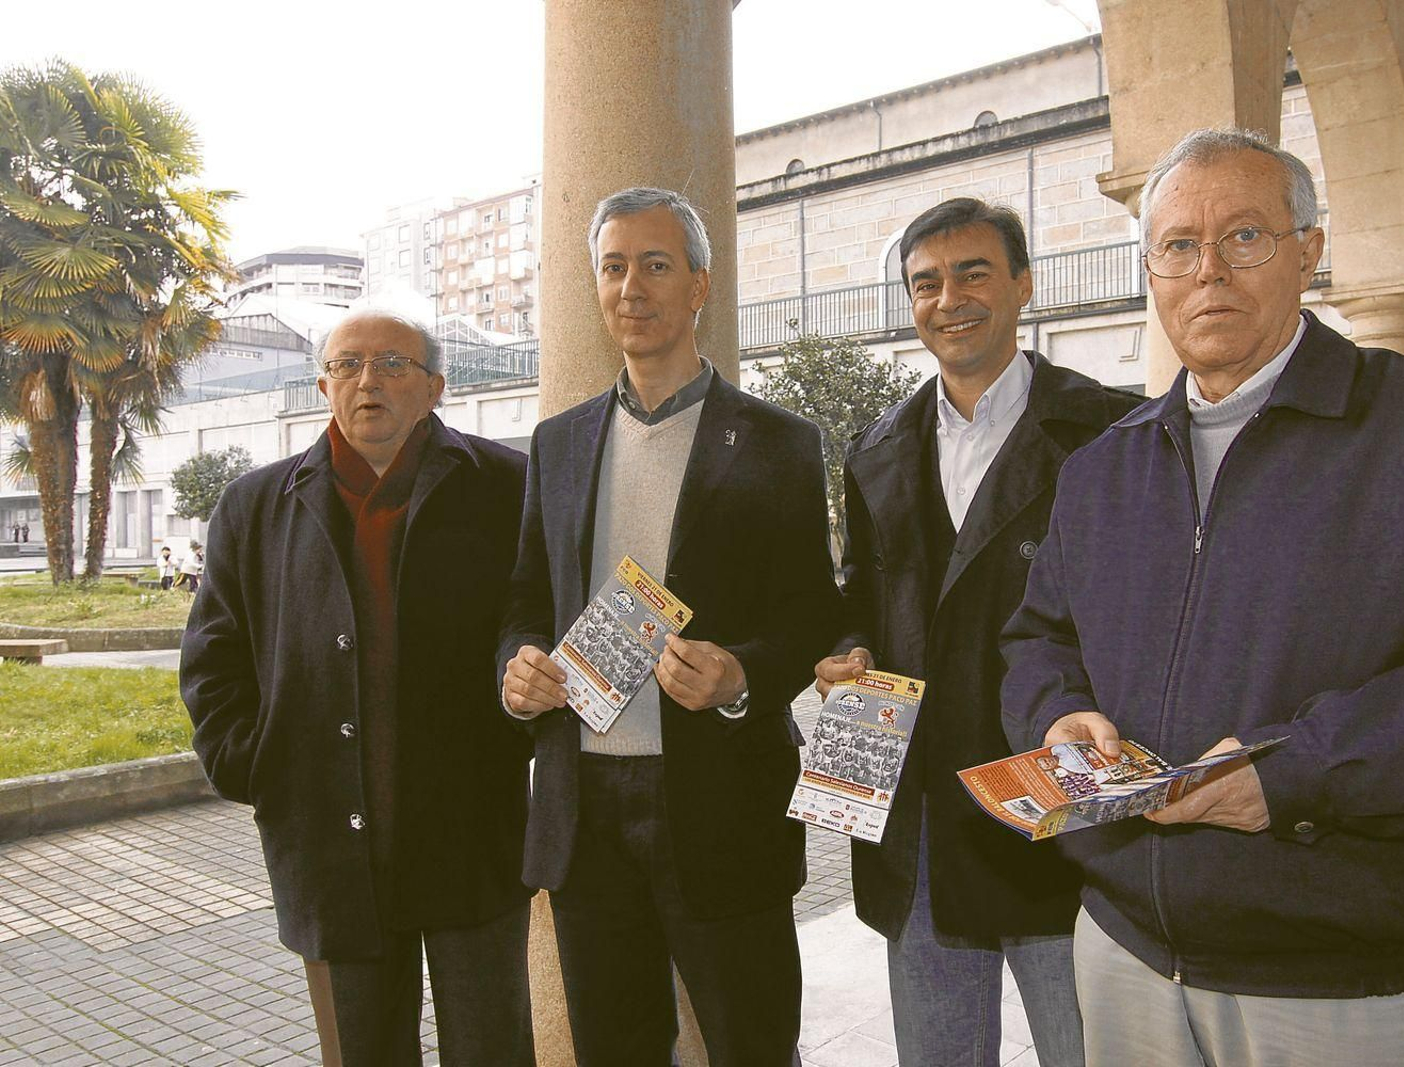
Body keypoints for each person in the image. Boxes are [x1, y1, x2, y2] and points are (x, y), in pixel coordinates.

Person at [1000, 126, 1404, 1066]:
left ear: (1310, 251)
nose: (1210, 272)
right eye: (1179, 247)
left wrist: (1300, 769)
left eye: (1246, 237)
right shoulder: (1100, 470)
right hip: (1120, 954)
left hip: (1337, 984)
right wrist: (1059, 712)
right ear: (1150, 272)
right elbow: (1038, 636)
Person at [499, 186, 839, 1066]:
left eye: (655, 264)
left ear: (698, 287)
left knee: (753, 1043)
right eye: (613, 267)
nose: (631, 286)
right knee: (615, 1048)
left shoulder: (779, 441)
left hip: (722, 800)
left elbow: (810, 612)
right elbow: (527, 602)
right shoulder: (558, 443)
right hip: (585, 811)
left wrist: (739, 676)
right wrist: (520, 664)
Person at [814, 197, 1139, 1067]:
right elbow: (861, 596)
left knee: (1091, 1050)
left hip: (1059, 809)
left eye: (973, 273)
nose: (948, 297)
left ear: (1023, 286)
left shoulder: (1111, 431)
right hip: (919, 819)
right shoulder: (876, 448)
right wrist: (849, 652)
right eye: (926, 282)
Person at [181, 310, 535, 1066]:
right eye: (347, 365)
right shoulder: (255, 506)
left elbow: (539, 621)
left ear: (437, 386)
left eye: (392, 364)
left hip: (473, 833)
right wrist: (252, 763)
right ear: (322, 385)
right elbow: (213, 658)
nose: (367, 380)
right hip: (328, 841)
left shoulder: (506, 485)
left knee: (494, 1046)